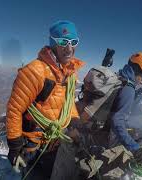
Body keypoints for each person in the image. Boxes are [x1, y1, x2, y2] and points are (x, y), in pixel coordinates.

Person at [51, 52, 142, 180]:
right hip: (87, 133)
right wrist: (135, 149)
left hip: (76, 123)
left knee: (62, 166)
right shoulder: (129, 89)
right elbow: (117, 122)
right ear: (138, 72)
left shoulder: (116, 77)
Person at [6, 20, 85, 179]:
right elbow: (14, 109)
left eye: (73, 42)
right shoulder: (35, 71)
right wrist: (15, 147)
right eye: (63, 42)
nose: (69, 48)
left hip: (54, 141)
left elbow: (67, 102)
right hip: (34, 143)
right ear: (53, 43)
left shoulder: (70, 73)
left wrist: (74, 122)